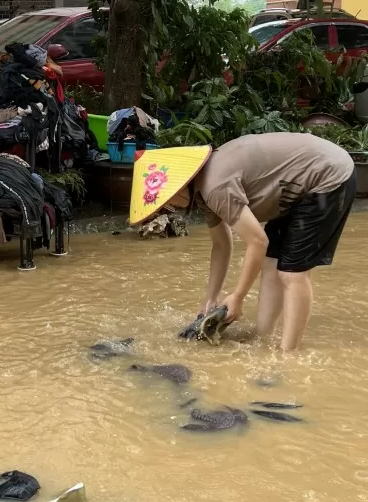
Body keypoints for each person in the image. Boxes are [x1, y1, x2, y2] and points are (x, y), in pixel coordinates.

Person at [132, 133, 356, 350]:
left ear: (179, 186)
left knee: (292, 272)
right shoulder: (202, 191)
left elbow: (258, 241)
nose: (171, 208)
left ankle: (289, 356)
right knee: (271, 263)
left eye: (167, 202)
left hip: (328, 175)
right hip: (296, 184)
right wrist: (211, 299)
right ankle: (263, 338)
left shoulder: (215, 188)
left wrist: (238, 296)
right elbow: (221, 245)